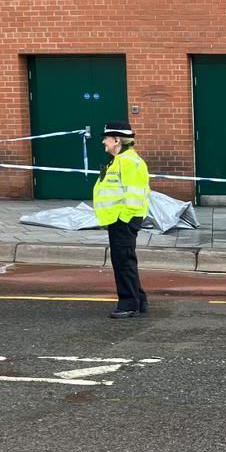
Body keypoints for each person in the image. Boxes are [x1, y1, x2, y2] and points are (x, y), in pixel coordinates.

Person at [94, 120, 151, 319]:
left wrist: (123, 219)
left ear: (117, 140)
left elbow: (134, 195)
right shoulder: (120, 160)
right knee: (125, 260)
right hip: (120, 219)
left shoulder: (128, 162)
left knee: (123, 261)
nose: (104, 143)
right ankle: (139, 300)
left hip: (124, 219)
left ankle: (128, 304)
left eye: (106, 139)